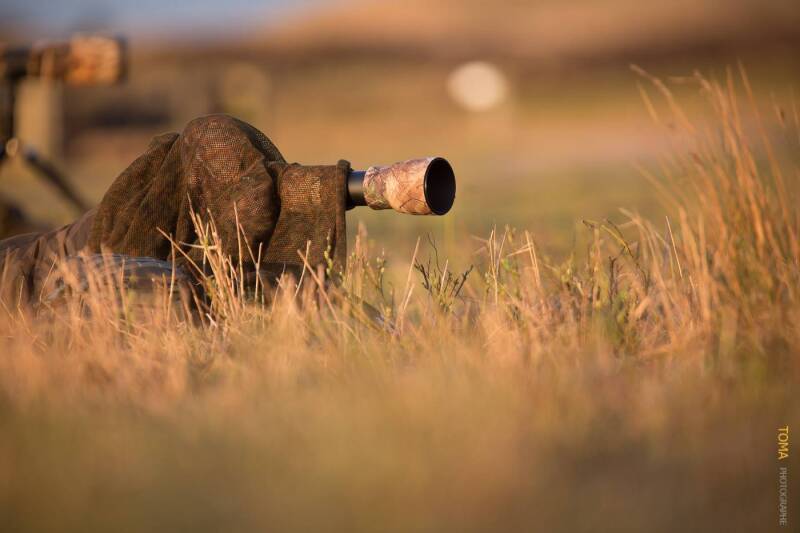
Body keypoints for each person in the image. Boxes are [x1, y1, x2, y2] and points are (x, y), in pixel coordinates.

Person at [0, 114, 350, 306]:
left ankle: (362, 188)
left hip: (60, 251)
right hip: (46, 279)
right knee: (171, 292)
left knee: (204, 149)